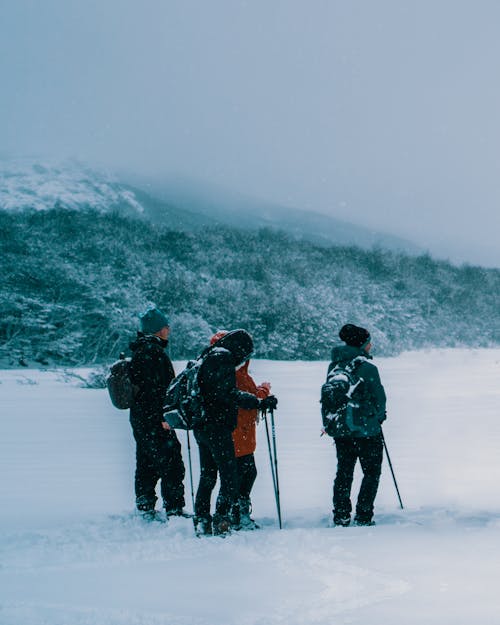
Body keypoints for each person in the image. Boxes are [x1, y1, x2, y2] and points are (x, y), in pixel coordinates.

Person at [193, 329, 277, 536]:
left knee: (208, 475)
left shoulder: (206, 357)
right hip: (219, 426)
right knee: (230, 477)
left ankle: (203, 520)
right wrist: (259, 400)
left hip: (203, 424)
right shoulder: (223, 360)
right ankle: (223, 519)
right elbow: (229, 394)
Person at [128, 307, 186, 520]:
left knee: (146, 460)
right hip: (154, 418)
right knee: (171, 462)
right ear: (157, 330)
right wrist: (163, 417)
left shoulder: (140, 351)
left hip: (140, 418)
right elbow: (158, 390)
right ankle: (174, 509)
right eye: (165, 326)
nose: (168, 329)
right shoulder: (153, 353)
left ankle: (144, 505)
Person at [327, 324, 387, 527]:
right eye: (369, 342)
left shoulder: (334, 366)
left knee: (344, 472)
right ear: (362, 344)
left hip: (341, 430)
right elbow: (380, 399)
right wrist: (379, 417)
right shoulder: (369, 368)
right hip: (367, 431)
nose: (371, 346)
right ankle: (363, 515)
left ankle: (341, 515)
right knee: (371, 472)